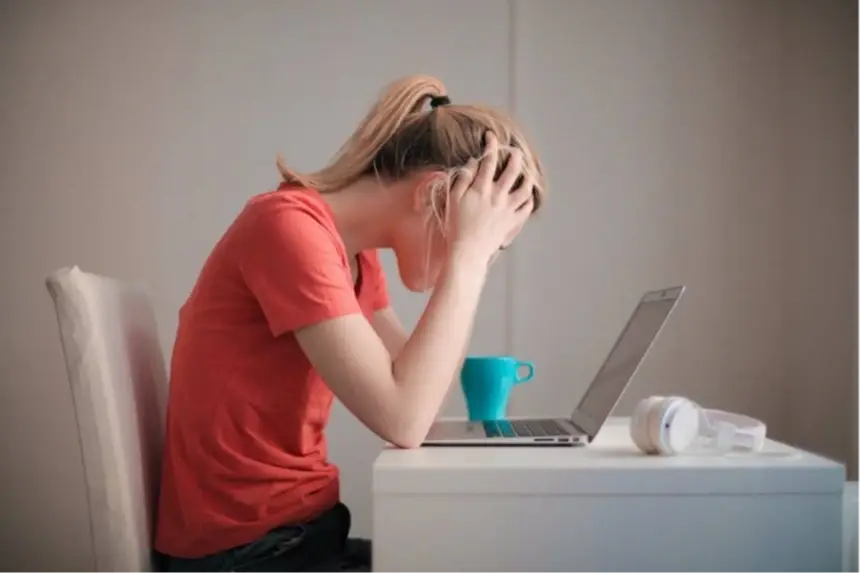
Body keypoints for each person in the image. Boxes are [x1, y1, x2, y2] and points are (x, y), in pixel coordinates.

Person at [154, 74, 546, 572]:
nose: (483, 255)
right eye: (488, 238)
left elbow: (420, 397)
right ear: (431, 196)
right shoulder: (288, 229)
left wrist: (470, 255)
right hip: (246, 553)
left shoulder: (353, 256)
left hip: (302, 535)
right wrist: (466, 261)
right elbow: (403, 419)